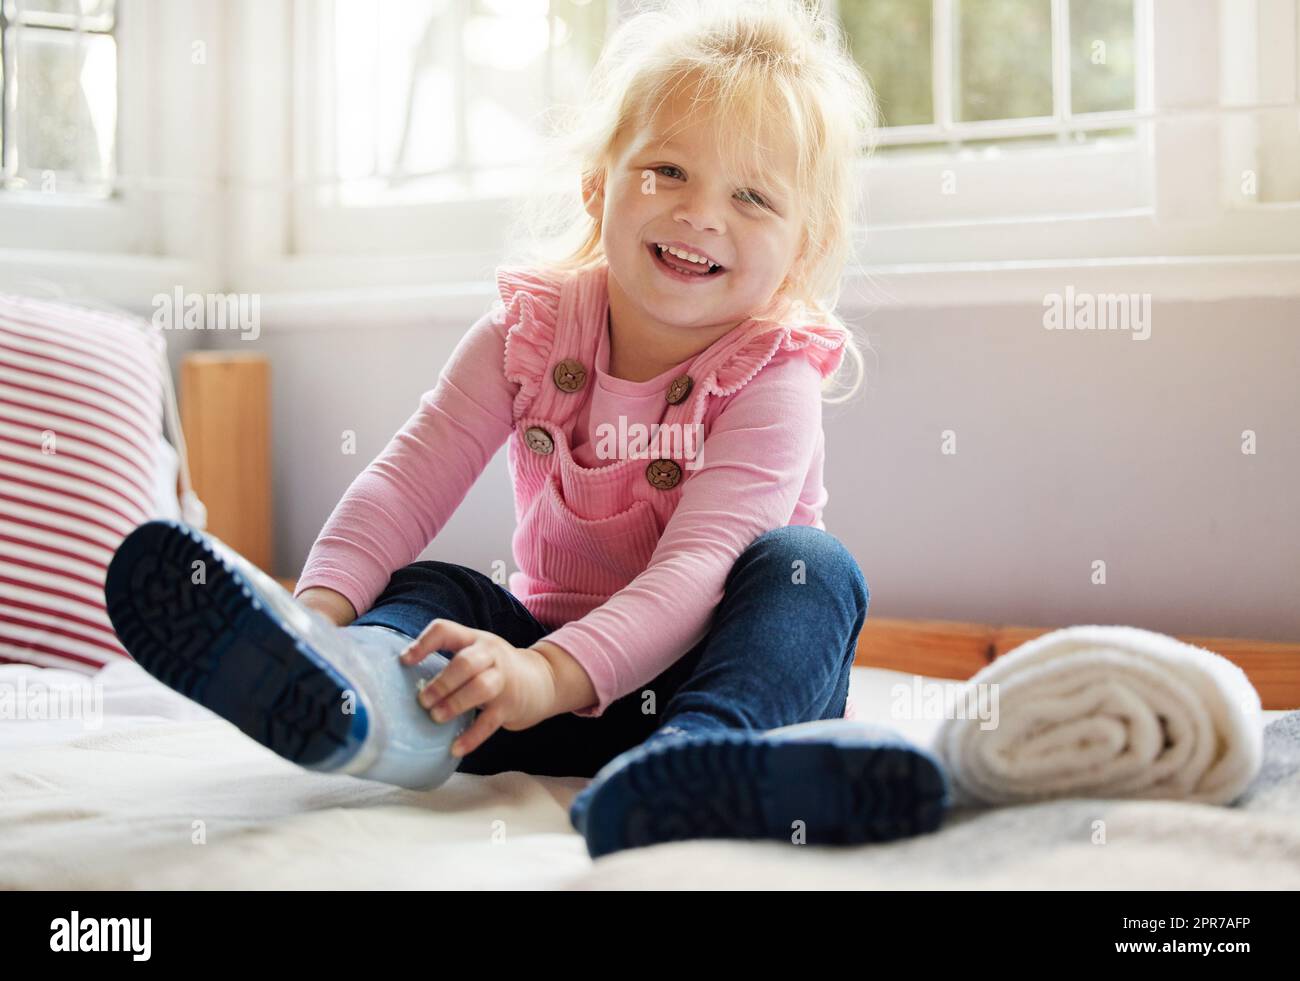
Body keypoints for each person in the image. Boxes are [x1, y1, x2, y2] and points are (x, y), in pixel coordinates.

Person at [106, 0, 950, 859]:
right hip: (553, 691)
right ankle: (359, 694)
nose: (701, 214)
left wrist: (546, 675)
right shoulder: (528, 335)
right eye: (666, 170)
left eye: (752, 196)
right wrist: (316, 616)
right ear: (598, 183)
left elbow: (699, 567)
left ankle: (696, 764)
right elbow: (406, 481)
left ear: (803, 249)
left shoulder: (771, 375)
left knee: (810, 573)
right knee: (435, 588)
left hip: (715, 677)